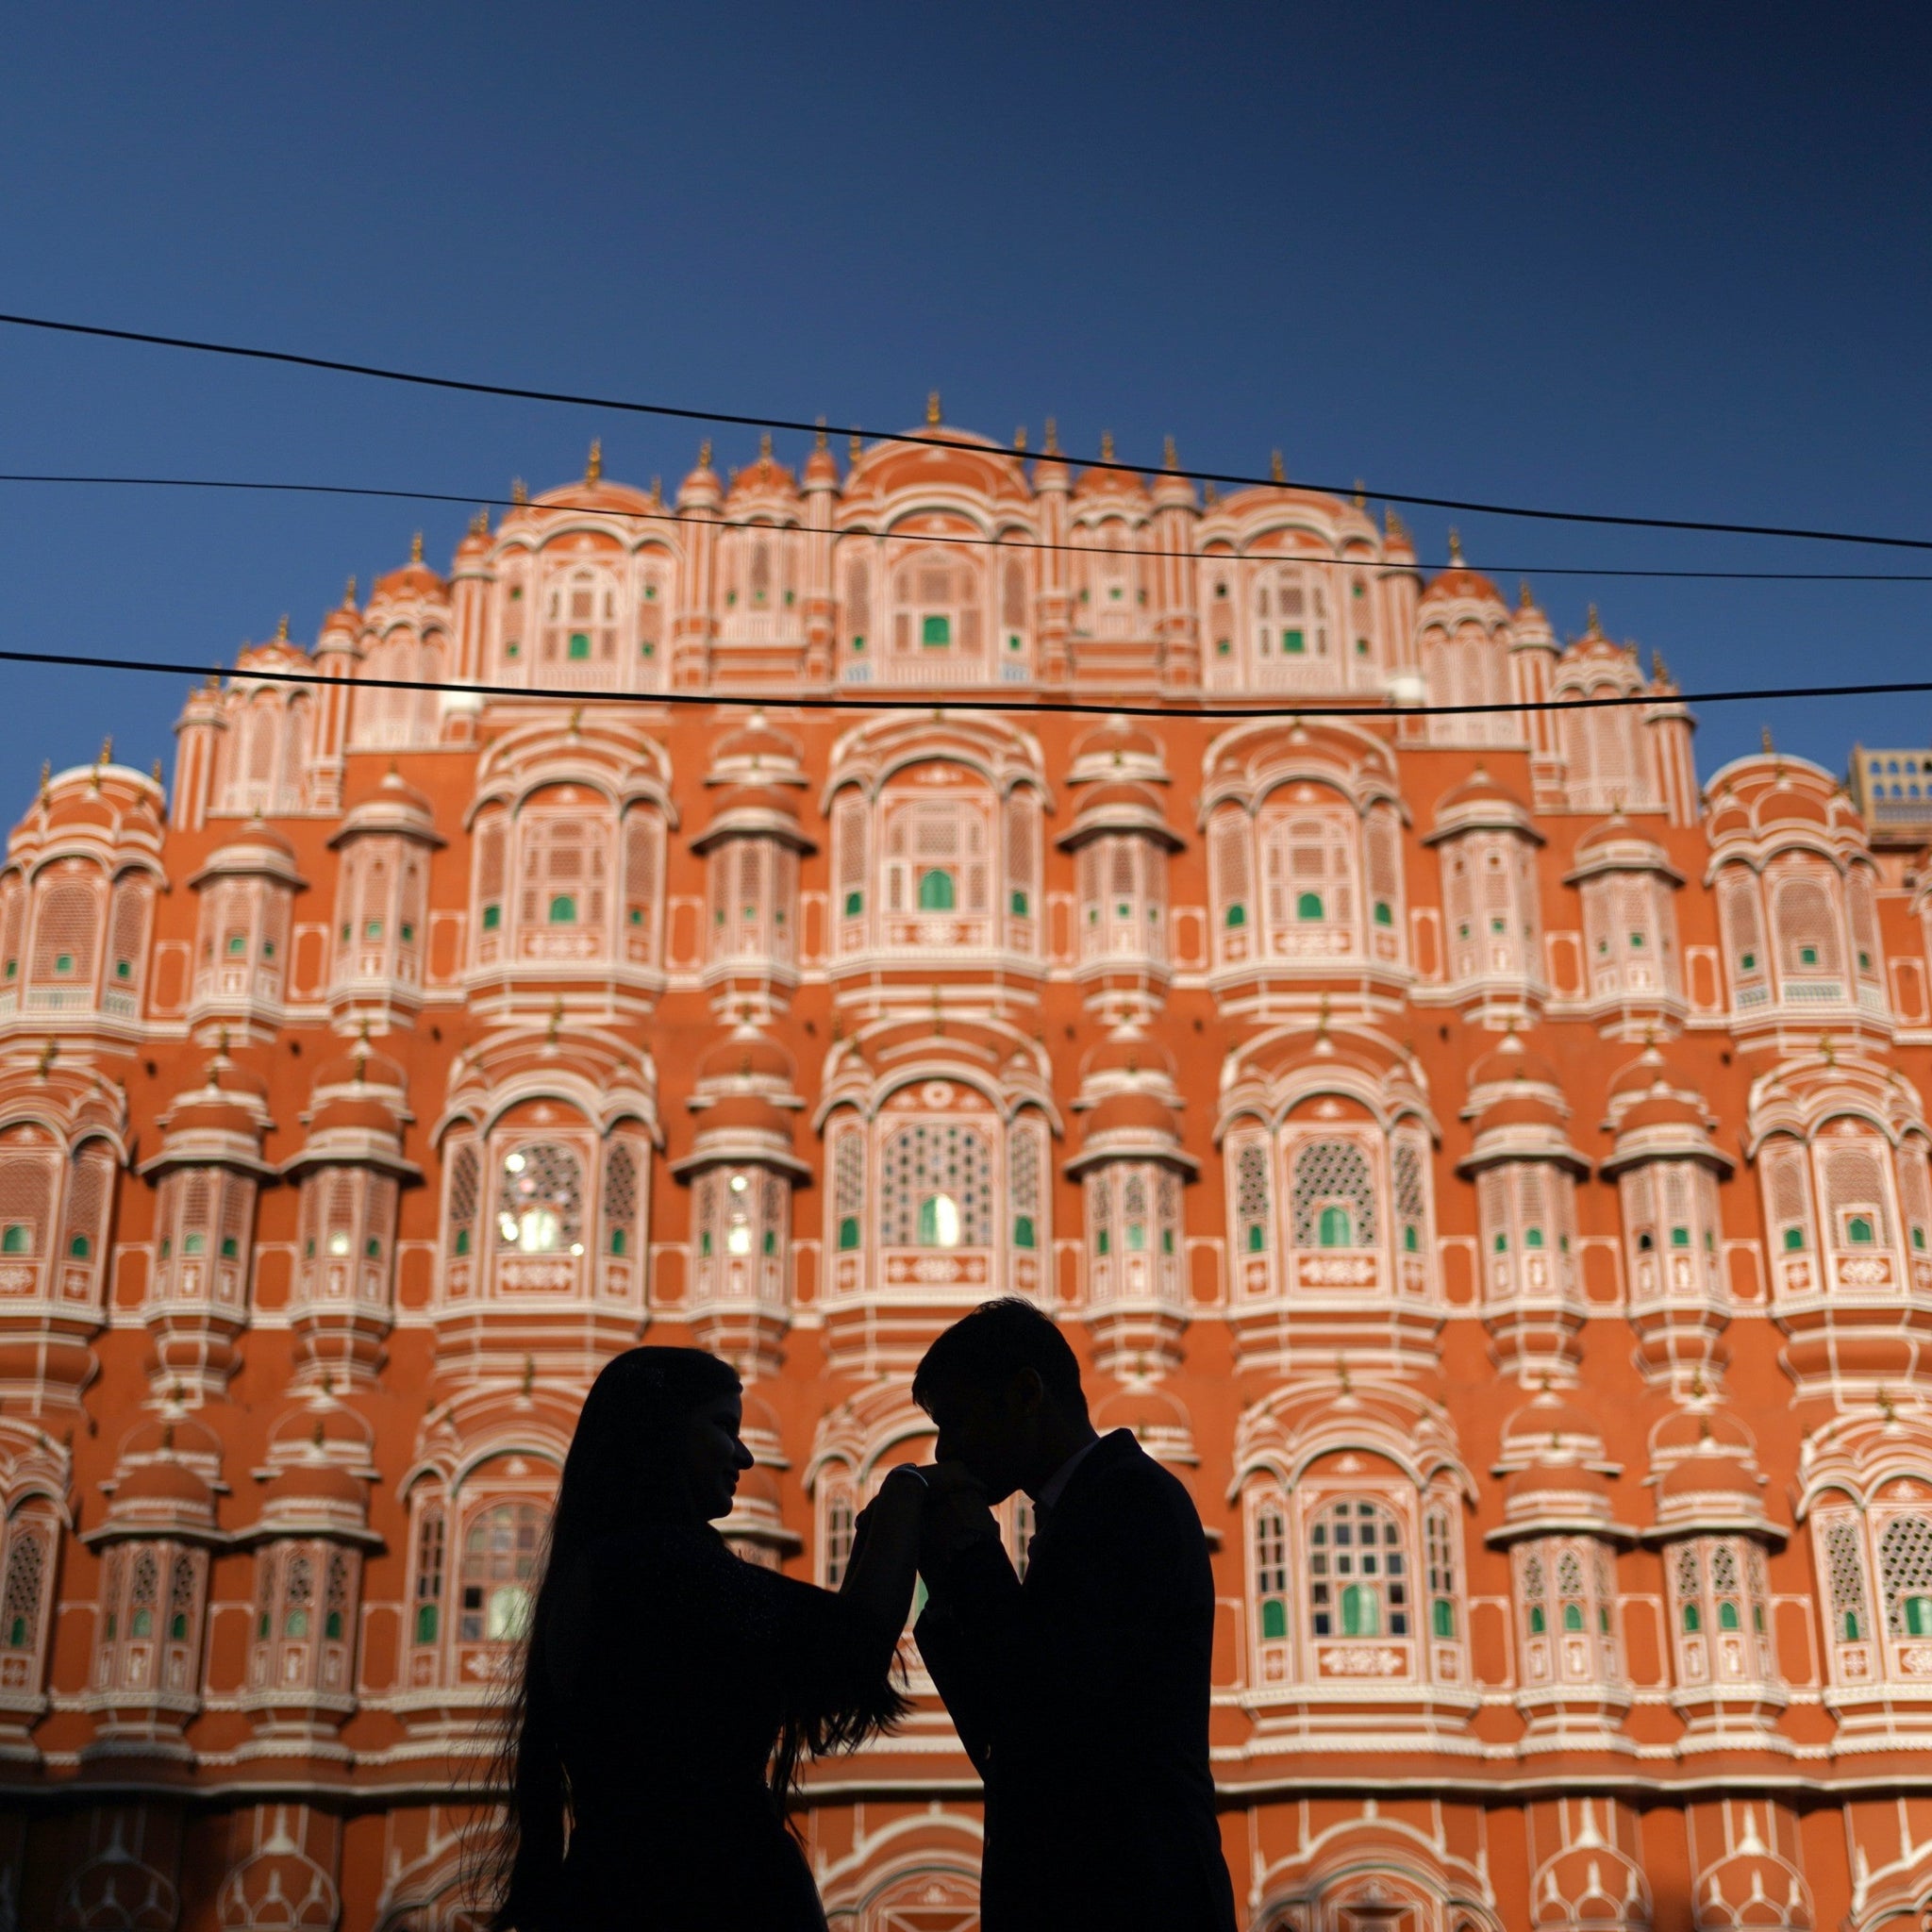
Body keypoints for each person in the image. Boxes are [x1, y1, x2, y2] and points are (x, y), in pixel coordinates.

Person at [487, 1345, 927, 1932]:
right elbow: (853, 1645)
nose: (743, 1455)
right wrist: (906, 1496)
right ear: (662, 1433)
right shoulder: (661, 1567)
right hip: (705, 1893)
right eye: (723, 1427)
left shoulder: (608, 1568)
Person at [911, 1298, 1238, 1932]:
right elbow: (1010, 1733)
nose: (947, 1449)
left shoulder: (1128, 1503)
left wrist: (970, 1552)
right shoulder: (1089, 1506)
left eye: (957, 1420)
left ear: (1027, 1393)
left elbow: (1048, 1704)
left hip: (1128, 1889)